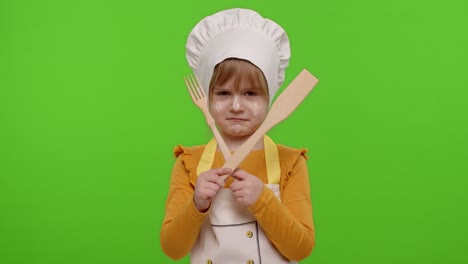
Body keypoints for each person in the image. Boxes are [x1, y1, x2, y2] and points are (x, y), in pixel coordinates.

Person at [160, 8, 315, 263]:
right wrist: (197, 204)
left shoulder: (290, 163)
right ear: (207, 99)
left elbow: (301, 250)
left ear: (270, 99)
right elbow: (173, 249)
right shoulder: (189, 163)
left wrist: (262, 200)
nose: (236, 106)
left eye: (250, 94)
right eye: (223, 93)